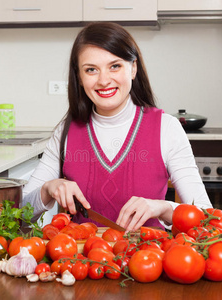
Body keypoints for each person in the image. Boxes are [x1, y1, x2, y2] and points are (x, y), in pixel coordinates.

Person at [22, 22, 212, 232]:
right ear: (79, 77)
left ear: (133, 68)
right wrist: (49, 188)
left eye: (115, 66)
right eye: (91, 70)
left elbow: (207, 219)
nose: (104, 80)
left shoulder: (166, 129)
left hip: (148, 259)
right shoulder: (65, 132)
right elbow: (20, 217)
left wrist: (162, 207)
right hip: (79, 262)